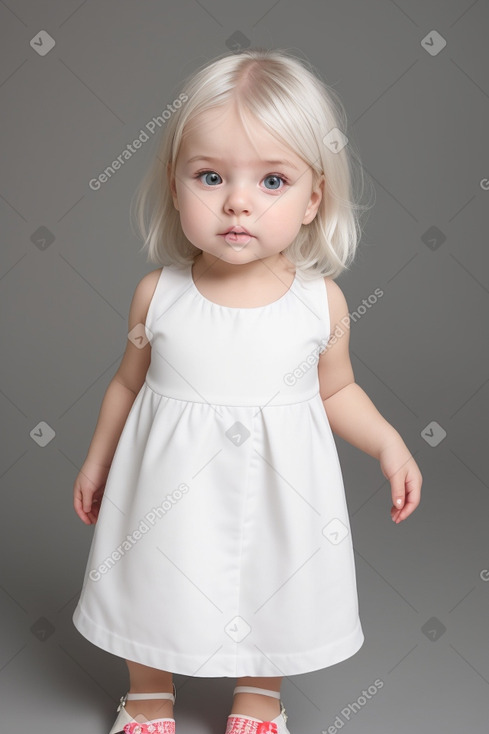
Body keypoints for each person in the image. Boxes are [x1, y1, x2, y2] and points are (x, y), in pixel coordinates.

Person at [72, 47, 422, 734]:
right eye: (210, 176)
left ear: (312, 197)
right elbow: (126, 381)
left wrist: (388, 444)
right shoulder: (159, 295)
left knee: (274, 576)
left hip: (277, 486)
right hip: (167, 484)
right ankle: (148, 693)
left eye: (271, 181)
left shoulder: (318, 302)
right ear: (175, 186)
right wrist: (96, 461)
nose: (237, 201)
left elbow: (337, 389)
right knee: (152, 570)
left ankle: (259, 695)